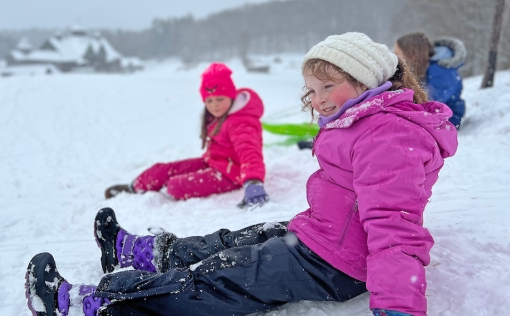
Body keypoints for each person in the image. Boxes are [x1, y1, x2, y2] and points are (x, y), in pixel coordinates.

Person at [25, 33, 458, 316]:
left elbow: (394, 228)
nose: (319, 100)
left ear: (367, 81)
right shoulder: (369, 120)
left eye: (330, 87)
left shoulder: (388, 137)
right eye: (313, 88)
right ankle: (145, 253)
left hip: (336, 263)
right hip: (325, 236)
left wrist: (397, 307)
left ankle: (94, 304)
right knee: (238, 241)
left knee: (217, 280)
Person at [104, 62, 269, 208]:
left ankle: (162, 187)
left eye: (219, 99)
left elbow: (249, 152)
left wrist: (253, 181)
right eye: (209, 101)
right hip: (213, 163)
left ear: (230, 96)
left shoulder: (241, 121)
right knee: (162, 170)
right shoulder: (220, 115)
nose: (215, 105)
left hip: (232, 175)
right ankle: (134, 187)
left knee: (176, 186)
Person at [394, 33, 466, 129]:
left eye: (397, 54)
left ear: (412, 55)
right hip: (432, 118)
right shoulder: (421, 67)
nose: (395, 57)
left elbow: (430, 102)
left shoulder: (441, 72)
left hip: (447, 122)